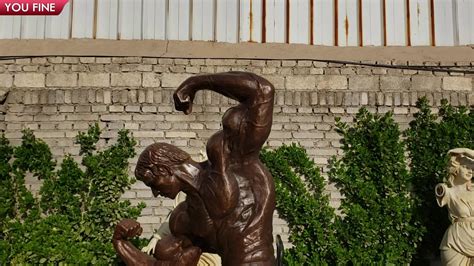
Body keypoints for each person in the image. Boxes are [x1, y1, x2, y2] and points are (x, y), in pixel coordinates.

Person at [113, 72, 276, 265]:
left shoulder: (230, 156)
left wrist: (195, 83)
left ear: (164, 170)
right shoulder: (184, 219)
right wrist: (120, 243)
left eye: (152, 183)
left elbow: (262, 91)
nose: (155, 193)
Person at [435, 148, 474, 266]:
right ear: (456, 169)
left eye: (472, 169)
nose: (470, 172)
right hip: (455, 242)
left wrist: (467, 151)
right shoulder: (447, 191)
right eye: (466, 167)